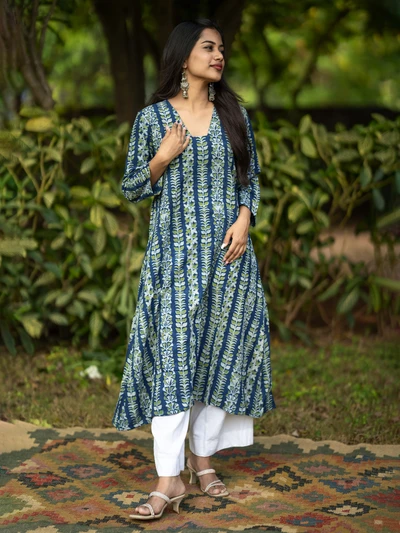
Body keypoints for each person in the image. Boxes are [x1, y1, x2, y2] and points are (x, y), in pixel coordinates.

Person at [112, 18, 276, 520]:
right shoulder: (153, 119)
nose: (218, 55)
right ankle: (169, 477)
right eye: (208, 47)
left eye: (221, 48)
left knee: (221, 354)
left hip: (229, 258)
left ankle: (202, 458)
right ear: (184, 57)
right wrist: (161, 157)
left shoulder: (234, 114)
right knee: (174, 360)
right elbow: (131, 188)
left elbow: (250, 177)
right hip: (175, 261)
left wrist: (245, 218)